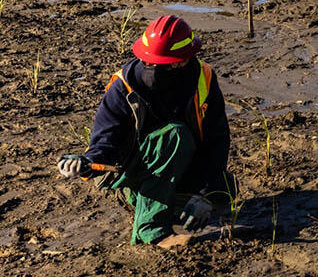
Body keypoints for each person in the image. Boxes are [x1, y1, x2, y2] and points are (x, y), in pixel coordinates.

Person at [56, 15, 232, 248]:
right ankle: (152, 229)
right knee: (175, 135)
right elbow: (105, 139)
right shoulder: (124, 86)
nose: (151, 68)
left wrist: (205, 194)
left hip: (180, 167)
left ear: (183, 60)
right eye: (148, 62)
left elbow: (216, 139)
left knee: (225, 192)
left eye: (161, 64)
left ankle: (161, 203)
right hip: (135, 170)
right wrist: (88, 160)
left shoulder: (203, 78)